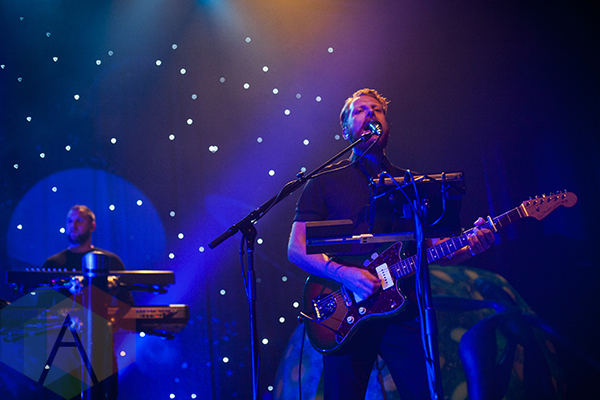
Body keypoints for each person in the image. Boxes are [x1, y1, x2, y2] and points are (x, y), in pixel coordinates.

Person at [288, 88, 496, 399]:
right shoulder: (324, 180)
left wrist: (471, 246)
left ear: (386, 124)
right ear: (345, 130)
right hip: (347, 310)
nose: (370, 113)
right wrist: (345, 274)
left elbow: (434, 249)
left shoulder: (410, 184)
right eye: (359, 110)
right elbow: (296, 248)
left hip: (402, 308)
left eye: (377, 109)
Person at [42, 205, 132, 400]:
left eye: (79, 221)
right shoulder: (53, 264)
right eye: (69, 221)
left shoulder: (110, 262)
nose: (73, 225)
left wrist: (111, 322)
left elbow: (127, 307)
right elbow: (43, 310)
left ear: (92, 226)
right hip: (63, 352)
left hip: (102, 349)